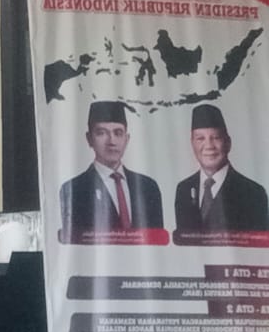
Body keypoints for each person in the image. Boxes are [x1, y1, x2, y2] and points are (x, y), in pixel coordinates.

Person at [59, 100, 163, 239]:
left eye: (118, 133)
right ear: (89, 139)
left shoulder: (148, 187)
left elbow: (158, 241)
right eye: (101, 133)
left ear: (127, 139)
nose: (111, 141)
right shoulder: (74, 190)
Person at [175, 104, 269, 233]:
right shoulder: (184, 189)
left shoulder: (252, 192)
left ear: (228, 143)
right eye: (200, 138)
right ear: (192, 143)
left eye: (216, 138)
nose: (209, 146)